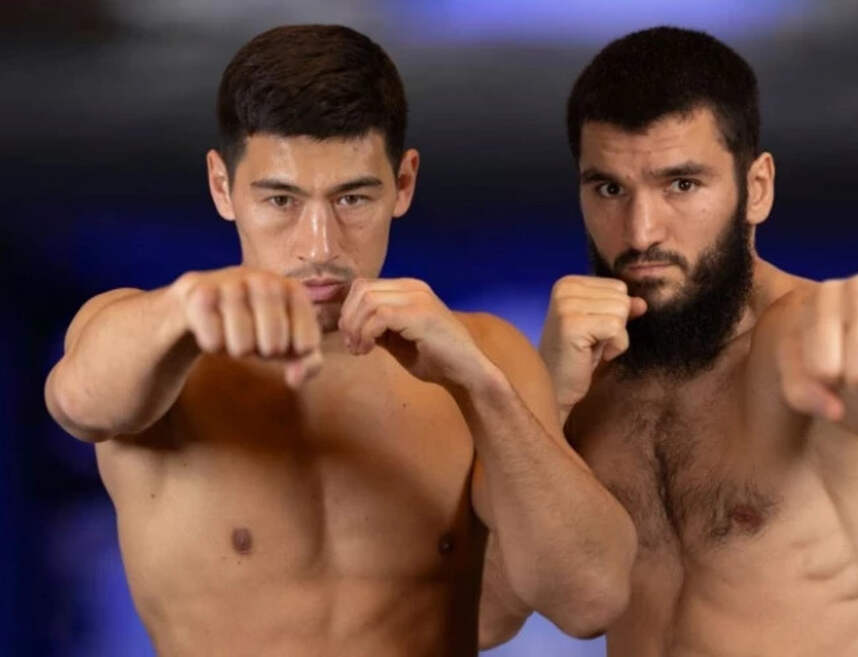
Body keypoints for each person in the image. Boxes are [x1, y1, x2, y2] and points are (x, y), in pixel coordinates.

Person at [43, 24, 636, 657]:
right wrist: (185, 309)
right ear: (222, 187)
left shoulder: (482, 354)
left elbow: (584, 602)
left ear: (403, 184)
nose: (320, 246)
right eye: (281, 200)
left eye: (352, 198)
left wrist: (481, 386)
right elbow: (80, 402)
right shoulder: (153, 340)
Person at [480, 26, 858, 657]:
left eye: (681, 184)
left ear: (756, 189)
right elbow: (482, 618)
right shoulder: (588, 381)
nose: (641, 232)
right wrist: (548, 402)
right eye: (610, 189)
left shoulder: (798, 335)